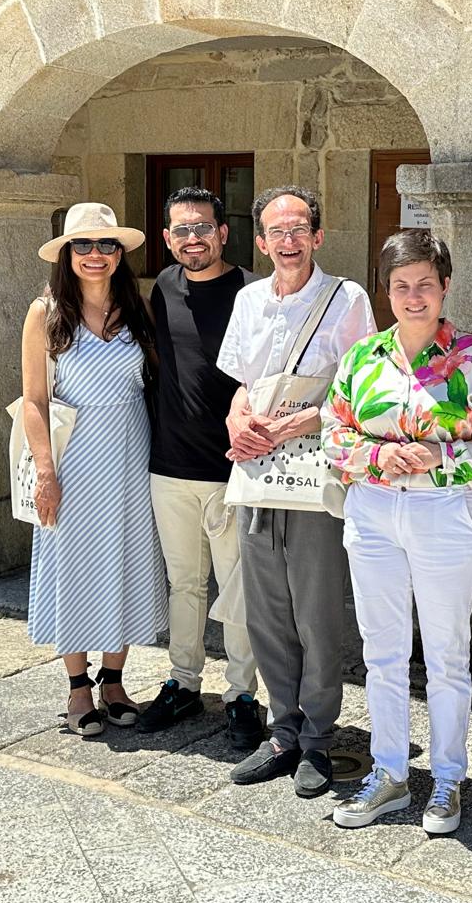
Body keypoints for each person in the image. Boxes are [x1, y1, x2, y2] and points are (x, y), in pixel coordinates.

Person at [323, 230, 472, 835]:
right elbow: (334, 433)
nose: (413, 297)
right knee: (381, 652)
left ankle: (447, 779)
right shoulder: (363, 357)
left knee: (446, 654)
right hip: (375, 512)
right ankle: (388, 774)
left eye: (424, 285)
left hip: (445, 514)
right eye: (401, 286)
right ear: (387, 290)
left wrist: (438, 460)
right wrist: (378, 458)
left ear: (444, 286)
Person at [217, 186, 376, 798]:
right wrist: (238, 420)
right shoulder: (251, 299)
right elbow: (241, 383)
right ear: (260, 241)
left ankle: (316, 737)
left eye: (299, 229)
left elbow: (358, 386)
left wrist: (290, 424)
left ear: (317, 235)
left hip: (314, 470)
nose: (288, 242)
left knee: (315, 612)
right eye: (276, 232)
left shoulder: (347, 299)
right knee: (266, 611)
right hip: (258, 471)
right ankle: (281, 731)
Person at [21, 202, 165, 736]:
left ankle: (115, 679)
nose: (95, 255)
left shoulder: (139, 307)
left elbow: (155, 385)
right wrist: (45, 472)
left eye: (106, 245)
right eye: (83, 245)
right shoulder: (45, 313)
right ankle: (78, 688)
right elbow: (34, 400)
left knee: (123, 561)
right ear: (66, 254)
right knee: (73, 565)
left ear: (120, 253)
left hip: (130, 453)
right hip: (73, 460)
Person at [142, 186, 264, 751]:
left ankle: (242, 693)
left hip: (233, 470)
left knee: (237, 589)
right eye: (181, 230)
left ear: (223, 232)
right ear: (168, 238)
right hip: (168, 466)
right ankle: (184, 681)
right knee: (184, 584)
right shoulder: (163, 288)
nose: (193, 239)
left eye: (203, 228)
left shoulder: (252, 294)